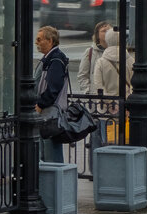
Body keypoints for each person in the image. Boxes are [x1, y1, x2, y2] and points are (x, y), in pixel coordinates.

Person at [34, 25, 70, 164]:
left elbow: (53, 88)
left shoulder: (56, 60)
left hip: (50, 113)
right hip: (47, 112)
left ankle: (54, 176)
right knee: (45, 150)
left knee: (51, 152)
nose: (36, 42)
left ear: (50, 41)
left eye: (39, 39)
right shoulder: (49, 58)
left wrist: (40, 104)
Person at [90, 30, 134, 114]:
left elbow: (98, 86)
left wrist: (110, 103)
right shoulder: (131, 61)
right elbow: (134, 85)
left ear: (107, 41)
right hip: (126, 107)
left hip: (105, 109)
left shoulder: (101, 62)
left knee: (107, 123)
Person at [78, 21, 111, 93]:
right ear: (97, 35)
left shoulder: (118, 51)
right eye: (104, 31)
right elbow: (82, 75)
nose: (107, 33)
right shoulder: (90, 52)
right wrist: (88, 91)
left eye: (109, 31)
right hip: (96, 96)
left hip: (114, 96)